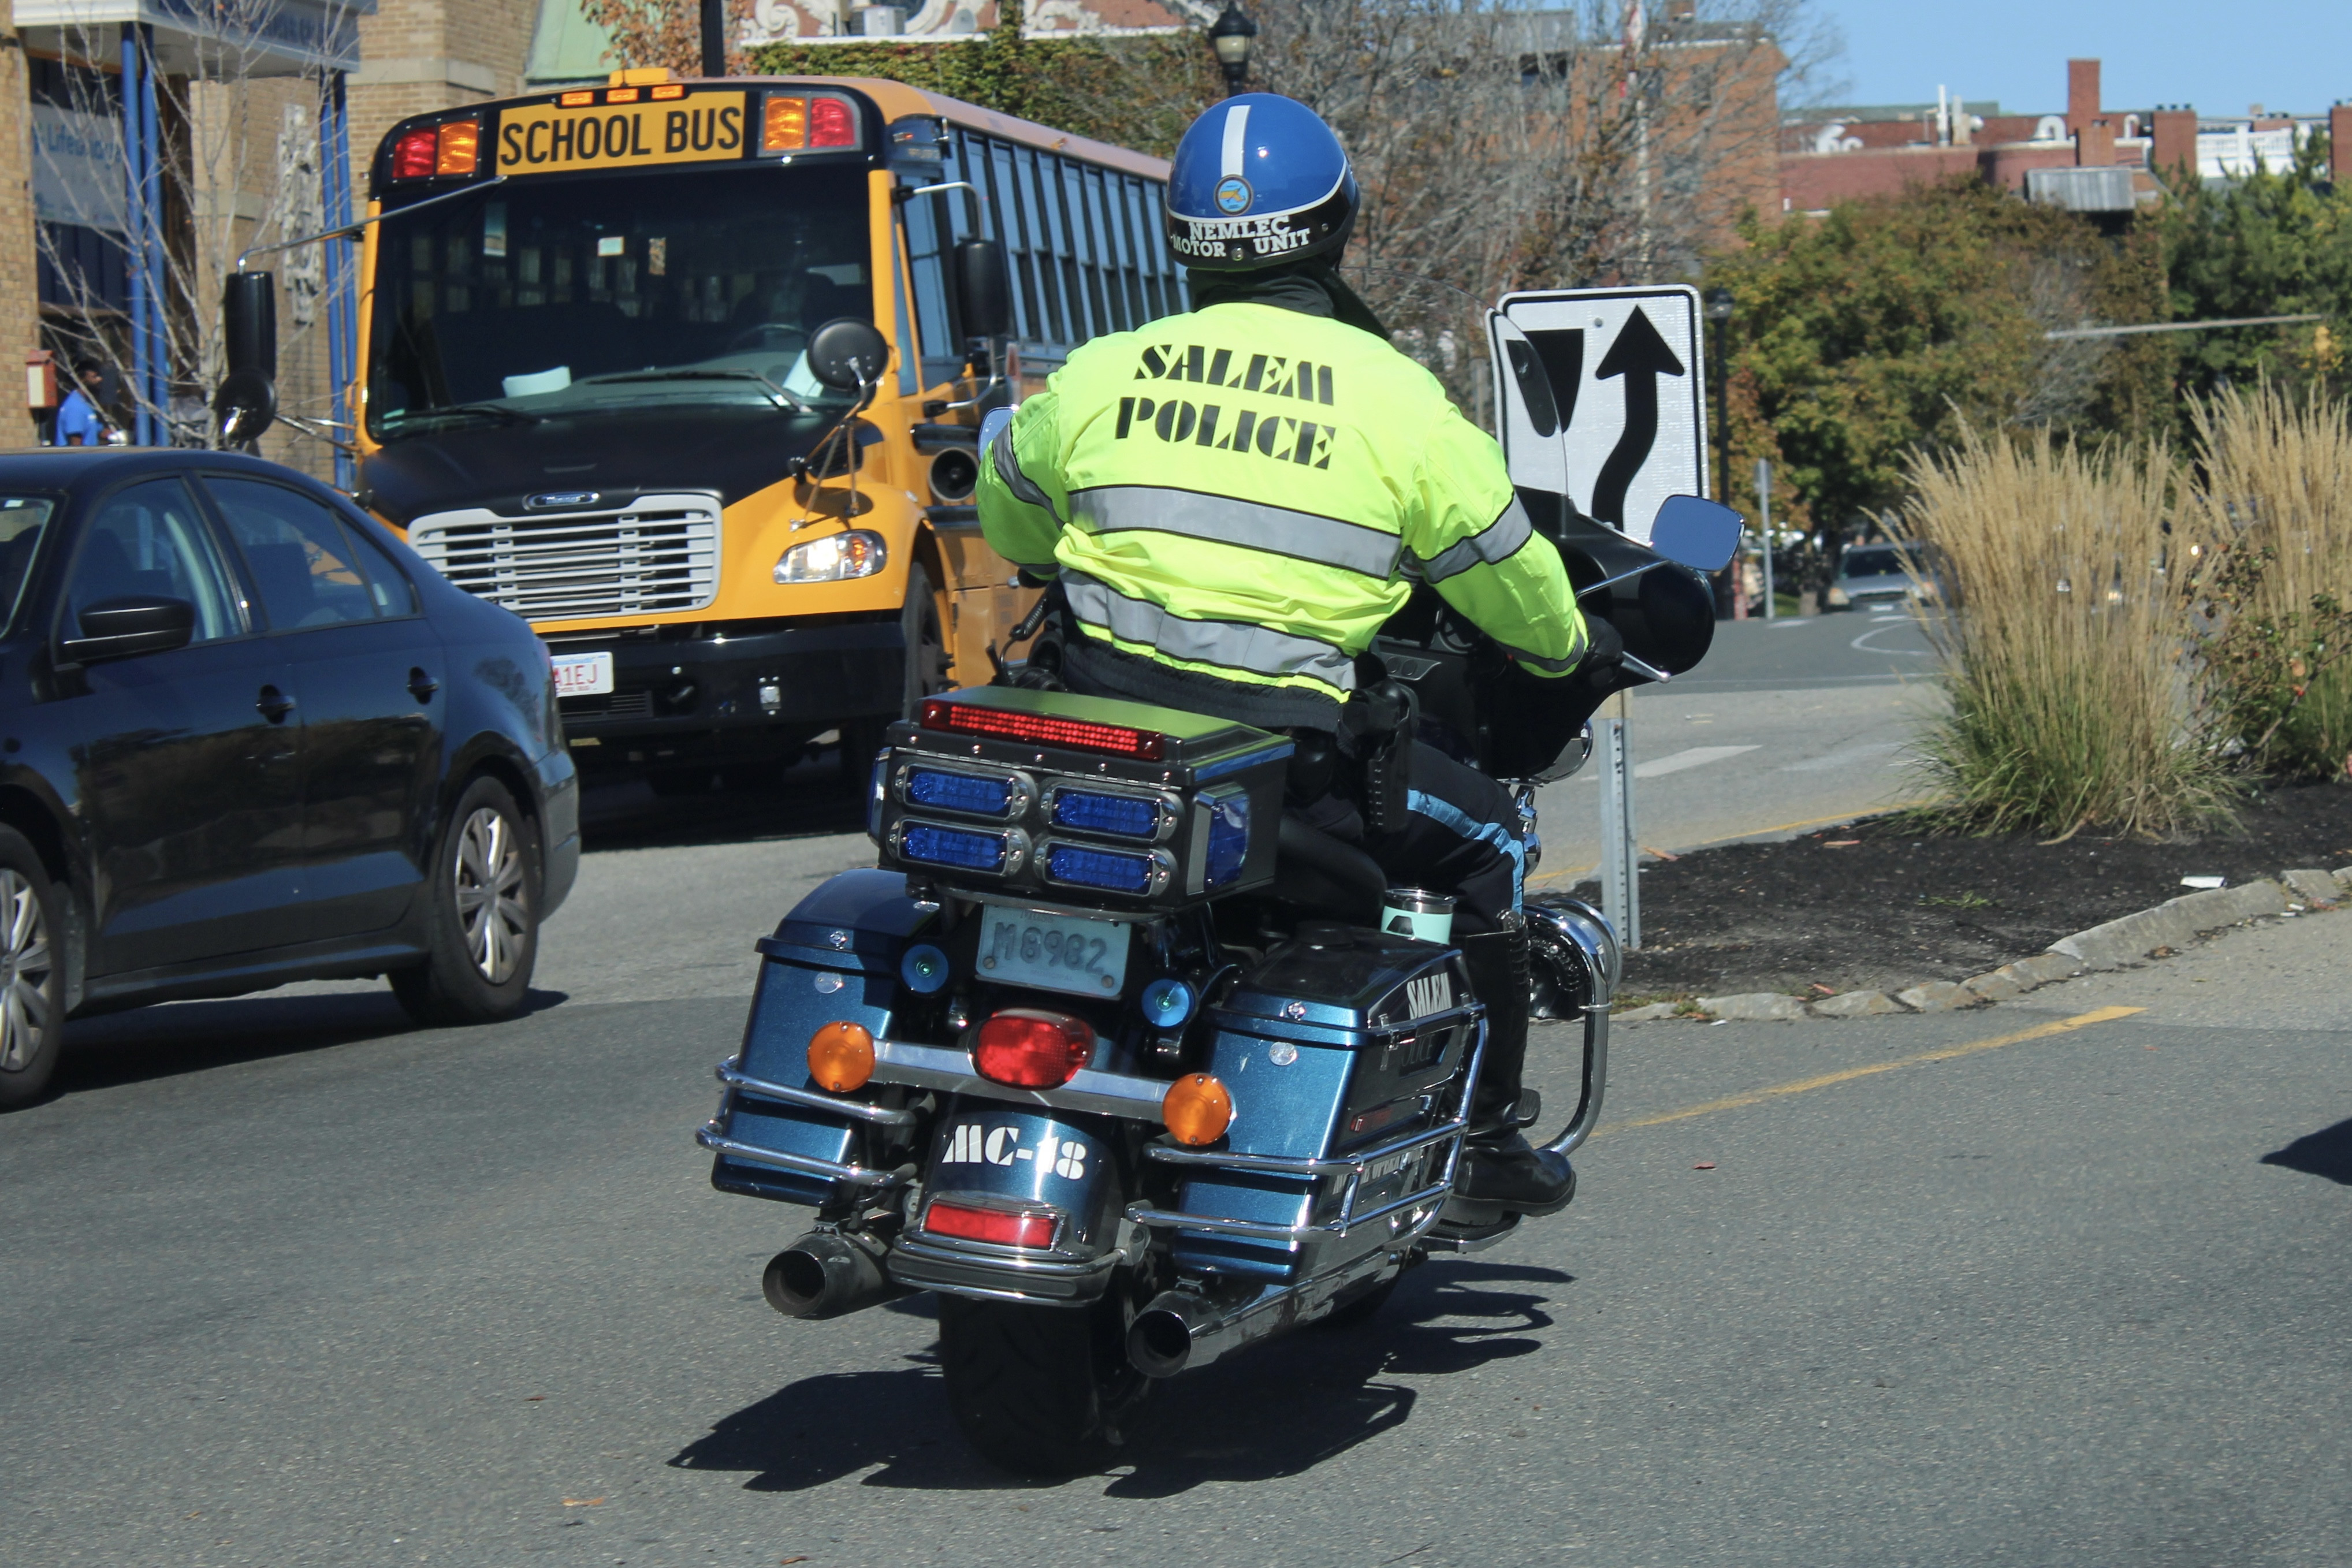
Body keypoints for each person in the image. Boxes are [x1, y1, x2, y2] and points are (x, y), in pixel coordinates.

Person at [975, 93, 1604, 1216]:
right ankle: (1489, 1141)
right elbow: (1517, 587)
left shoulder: (1096, 375)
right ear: (1337, 226)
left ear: (1180, 236)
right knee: (1490, 840)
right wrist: (1564, 650)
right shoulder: (1396, 404)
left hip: (1093, 746)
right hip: (1280, 767)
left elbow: (1013, 524)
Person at [53, 364, 111, 447]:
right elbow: (76, 446)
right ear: (82, 380)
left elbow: (93, 428)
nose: (100, 380)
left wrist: (105, 432)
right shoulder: (75, 407)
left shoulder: (84, 403)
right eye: (95, 377)